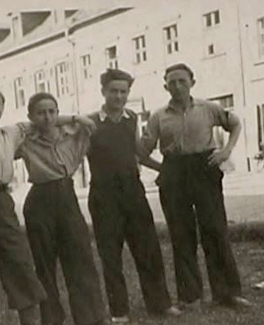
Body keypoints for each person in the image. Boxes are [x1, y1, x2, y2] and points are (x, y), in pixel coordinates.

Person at [140, 63, 251, 309]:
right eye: (172, 82)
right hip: (174, 172)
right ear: (165, 86)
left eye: (182, 80)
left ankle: (227, 293)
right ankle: (190, 296)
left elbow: (234, 124)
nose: (177, 86)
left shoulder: (208, 108)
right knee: (181, 234)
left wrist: (226, 151)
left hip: (205, 168)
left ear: (192, 81)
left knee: (215, 230)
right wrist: (164, 169)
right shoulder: (158, 116)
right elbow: (141, 152)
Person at [86, 69, 181, 324]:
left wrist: (163, 167)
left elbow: (137, 152)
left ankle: (160, 303)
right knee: (110, 254)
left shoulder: (131, 118)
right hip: (104, 195)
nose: (118, 96)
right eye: (113, 91)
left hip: (132, 190)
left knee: (148, 247)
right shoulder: (90, 122)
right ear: (103, 91)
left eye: (123, 91)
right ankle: (119, 311)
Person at [16, 92, 105, 325]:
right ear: (31, 116)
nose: (47, 117)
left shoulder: (73, 134)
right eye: (40, 113)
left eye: (51, 111)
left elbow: (91, 123)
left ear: (58, 112)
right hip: (39, 201)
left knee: (80, 259)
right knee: (44, 265)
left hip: (67, 197)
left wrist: (73, 118)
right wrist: (71, 116)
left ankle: (90, 318)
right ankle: (52, 319)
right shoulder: (25, 140)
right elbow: (12, 130)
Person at [0, 85, 46, 325]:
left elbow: (44, 118)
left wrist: (75, 117)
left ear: (2, 107)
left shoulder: (13, 133)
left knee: (18, 260)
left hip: (0, 199)